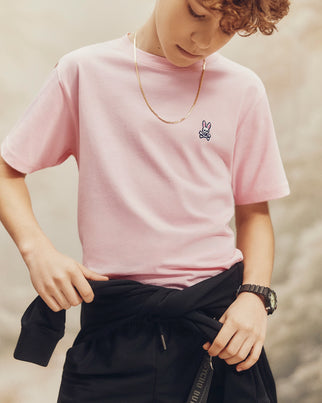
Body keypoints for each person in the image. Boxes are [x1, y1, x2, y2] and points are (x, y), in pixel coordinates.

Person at [0, 0, 291, 402]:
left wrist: (255, 297)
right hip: (113, 329)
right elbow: (6, 170)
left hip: (219, 328)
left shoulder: (243, 89)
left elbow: (254, 212)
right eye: (198, 14)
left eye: (227, 28)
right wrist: (37, 252)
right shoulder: (84, 71)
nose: (205, 40)